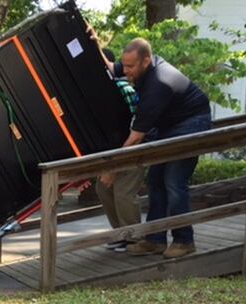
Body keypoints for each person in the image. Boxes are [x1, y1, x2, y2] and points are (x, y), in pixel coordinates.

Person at [90, 31, 212, 259]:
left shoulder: (159, 84)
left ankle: (184, 240)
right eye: (124, 65)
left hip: (191, 123)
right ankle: (154, 240)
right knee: (156, 181)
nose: (125, 72)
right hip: (169, 126)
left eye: (130, 67)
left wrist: (114, 168)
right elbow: (109, 66)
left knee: (174, 182)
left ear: (146, 61)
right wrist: (96, 43)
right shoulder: (139, 68)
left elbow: (136, 137)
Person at [95, 48, 142, 253]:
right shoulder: (97, 90)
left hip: (131, 149)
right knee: (103, 189)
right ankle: (121, 234)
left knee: (124, 193)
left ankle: (135, 238)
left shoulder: (124, 88)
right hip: (112, 150)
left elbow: (137, 120)